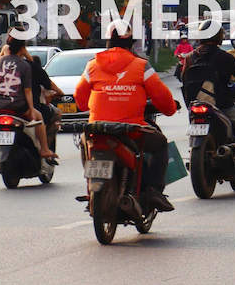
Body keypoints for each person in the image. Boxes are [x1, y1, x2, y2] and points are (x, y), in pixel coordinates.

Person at [74, 20, 177, 212]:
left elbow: (80, 98)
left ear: (108, 40)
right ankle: (154, 190)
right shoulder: (141, 66)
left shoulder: (92, 66)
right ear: (131, 43)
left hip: (97, 130)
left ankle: (90, 188)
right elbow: (162, 97)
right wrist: (170, 109)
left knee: (84, 143)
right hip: (131, 131)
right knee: (160, 143)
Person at [181, 20, 235, 170]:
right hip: (221, 104)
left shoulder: (189, 58)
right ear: (219, 37)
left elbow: (183, 78)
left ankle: (193, 152)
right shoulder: (224, 57)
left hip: (194, 105)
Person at [0, 27, 56, 159]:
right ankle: (45, 150)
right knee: (39, 117)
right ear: (23, 47)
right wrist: (31, 109)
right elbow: (27, 90)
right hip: (17, 106)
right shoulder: (24, 65)